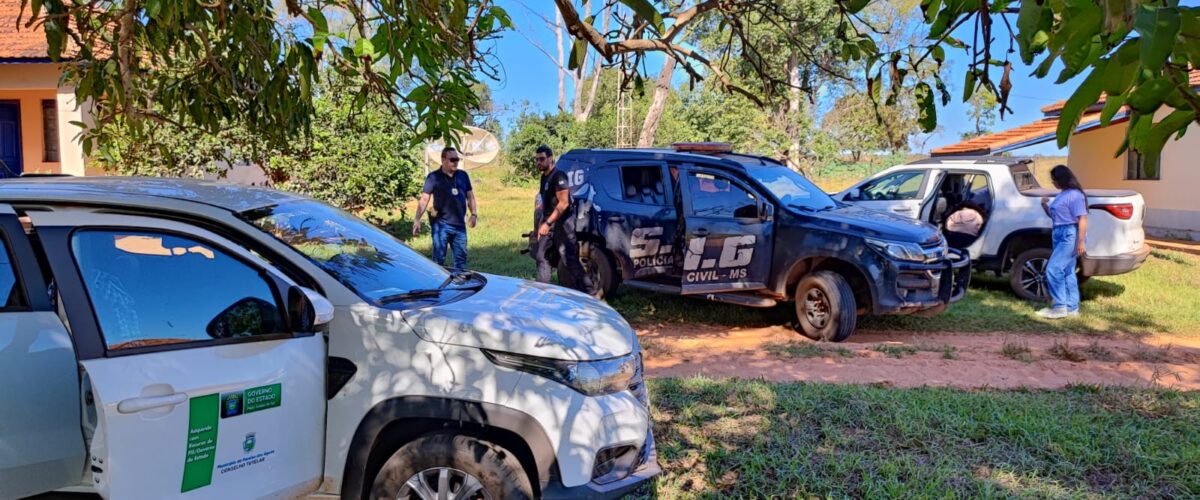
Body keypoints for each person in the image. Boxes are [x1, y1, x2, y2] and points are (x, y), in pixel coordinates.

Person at [533, 145, 592, 293]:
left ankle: (589, 292)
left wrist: (547, 223)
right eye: (536, 159)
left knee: (569, 260)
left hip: (563, 224)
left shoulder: (559, 176)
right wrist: (541, 224)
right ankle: (542, 291)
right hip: (549, 223)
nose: (538, 162)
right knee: (541, 256)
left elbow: (564, 203)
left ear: (551, 158)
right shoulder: (544, 177)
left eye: (541, 159)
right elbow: (546, 205)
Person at [412, 146, 477, 270]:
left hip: (460, 226)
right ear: (443, 160)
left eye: (457, 159)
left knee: (461, 261)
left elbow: (470, 197)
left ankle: (460, 286)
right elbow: (424, 199)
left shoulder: (463, 175)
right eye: (452, 159)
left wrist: (474, 214)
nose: (456, 162)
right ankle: (437, 287)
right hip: (441, 225)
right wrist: (417, 220)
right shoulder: (433, 177)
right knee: (438, 260)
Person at [1038, 164, 1088, 319]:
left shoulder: (1075, 195)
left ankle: (1060, 307)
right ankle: (1072, 308)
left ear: (1062, 179)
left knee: (1053, 269)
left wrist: (1080, 242)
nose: (1053, 182)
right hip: (1059, 232)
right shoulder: (1062, 194)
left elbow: (1082, 219)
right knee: (1067, 272)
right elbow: (1056, 217)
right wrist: (1044, 205)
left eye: (1054, 179)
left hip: (1069, 234)